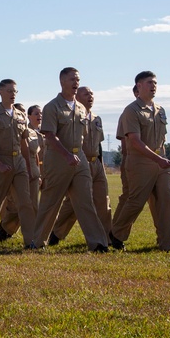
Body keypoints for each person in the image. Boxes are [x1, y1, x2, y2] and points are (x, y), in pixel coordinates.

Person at [33, 69, 109, 252]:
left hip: (79, 159)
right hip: (59, 159)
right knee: (51, 202)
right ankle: (37, 241)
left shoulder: (81, 108)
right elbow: (49, 135)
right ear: (62, 81)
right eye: (72, 79)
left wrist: (80, 156)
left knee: (85, 201)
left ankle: (98, 243)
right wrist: (66, 155)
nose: (76, 82)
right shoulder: (52, 107)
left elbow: (82, 137)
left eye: (78, 79)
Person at [109, 71, 170, 251]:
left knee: (165, 201)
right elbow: (135, 142)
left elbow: (162, 139)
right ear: (139, 86)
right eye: (149, 83)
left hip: (161, 161)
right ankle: (116, 233)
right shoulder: (132, 110)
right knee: (136, 201)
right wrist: (158, 159)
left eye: (155, 83)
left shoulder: (160, 110)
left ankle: (166, 243)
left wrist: (162, 159)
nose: (153, 86)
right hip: (140, 162)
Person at [0, 80, 38, 248]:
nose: (13, 94)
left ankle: (30, 240)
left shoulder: (20, 116)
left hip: (18, 163)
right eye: (9, 91)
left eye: (15, 91)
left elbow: (24, 144)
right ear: (0, 92)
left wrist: (29, 167)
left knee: (25, 202)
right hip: (0, 162)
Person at [49, 86, 112, 245]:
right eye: (86, 94)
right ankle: (56, 233)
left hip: (96, 163)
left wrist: (101, 166)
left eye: (92, 93)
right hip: (80, 162)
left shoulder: (97, 118)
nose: (90, 96)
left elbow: (98, 145)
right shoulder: (74, 115)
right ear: (77, 96)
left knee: (103, 202)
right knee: (74, 204)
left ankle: (106, 238)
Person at [0, 104, 44, 241]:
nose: (22, 115)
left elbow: (36, 155)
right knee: (17, 207)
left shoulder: (35, 133)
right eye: (35, 113)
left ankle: (33, 236)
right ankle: (5, 229)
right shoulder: (12, 132)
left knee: (34, 206)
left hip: (33, 173)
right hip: (18, 171)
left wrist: (38, 173)